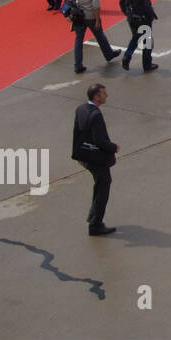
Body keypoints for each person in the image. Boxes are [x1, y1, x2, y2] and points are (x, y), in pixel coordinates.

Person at [71, 83, 118, 236]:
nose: (107, 95)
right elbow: (99, 140)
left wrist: (77, 154)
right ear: (96, 97)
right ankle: (95, 224)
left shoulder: (81, 109)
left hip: (85, 155)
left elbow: (77, 133)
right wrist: (113, 147)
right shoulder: (96, 115)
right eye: (104, 93)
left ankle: (94, 219)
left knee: (100, 185)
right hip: (96, 158)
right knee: (103, 187)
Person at [69, 0, 120, 74]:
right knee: (100, 35)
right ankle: (109, 54)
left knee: (78, 40)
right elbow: (96, 5)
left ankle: (78, 64)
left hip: (78, 16)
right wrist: (97, 19)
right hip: (90, 16)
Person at [118, 0, 158, 72]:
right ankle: (146, 64)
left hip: (131, 18)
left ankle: (128, 56)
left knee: (136, 37)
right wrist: (152, 16)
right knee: (147, 41)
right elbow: (146, 5)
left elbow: (121, 3)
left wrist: (126, 13)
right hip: (143, 18)